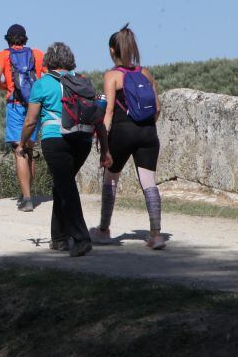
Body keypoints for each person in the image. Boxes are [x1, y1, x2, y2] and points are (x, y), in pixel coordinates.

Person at [18, 42, 112, 257]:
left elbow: (31, 121)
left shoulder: (42, 84)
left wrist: (22, 144)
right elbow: (97, 118)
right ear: (70, 61)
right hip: (83, 140)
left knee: (66, 187)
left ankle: (81, 238)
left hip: (55, 140)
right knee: (61, 185)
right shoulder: (83, 82)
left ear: (49, 61)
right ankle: (59, 238)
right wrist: (105, 149)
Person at [90, 25, 166, 250]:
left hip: (122, 132)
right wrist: (147, 128)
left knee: (111, 179)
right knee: (149, 183)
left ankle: (103, 230)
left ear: (113, 50)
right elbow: (157, 107)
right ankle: (156, 235)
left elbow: (110, 111)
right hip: (147, 133)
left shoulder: (112, 76)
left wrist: (103, 142)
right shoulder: (144, 73)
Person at [0, 23, 46, 211]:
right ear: (24, 38)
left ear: (8, 39)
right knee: (29, 149)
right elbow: (46, 76)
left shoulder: (3, 55)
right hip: (34, 106)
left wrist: (7, 88)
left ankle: (27, 198)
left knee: (19, 150)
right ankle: (28, 193)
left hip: (15, 105)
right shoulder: (37, 54)